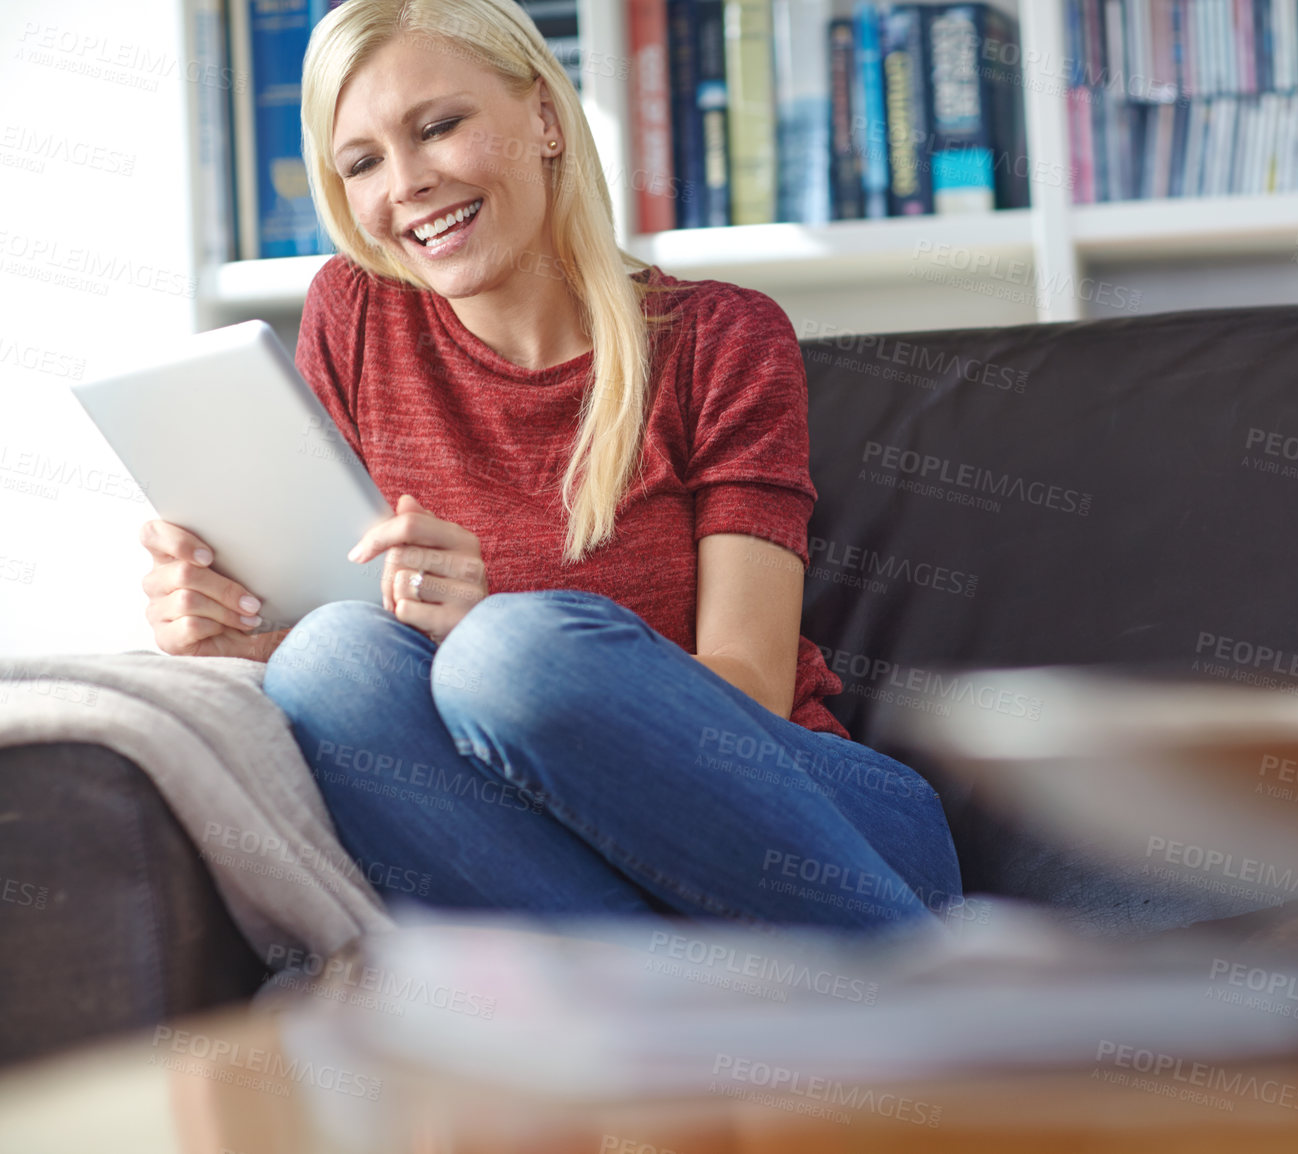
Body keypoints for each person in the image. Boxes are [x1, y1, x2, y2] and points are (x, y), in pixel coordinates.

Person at [137, 0, 962, 930]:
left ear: (544, 117)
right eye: (362, 162)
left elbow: (750, 686)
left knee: (509, 653)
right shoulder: (354, 316)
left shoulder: (722, 338)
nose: (405, 183)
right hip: (556, 855)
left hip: (821, 818)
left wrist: (489, 633)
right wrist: (242, 629)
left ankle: (849, 968)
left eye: (438, 126)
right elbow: (365, 673)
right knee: (330, 660)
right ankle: (690, 1012)